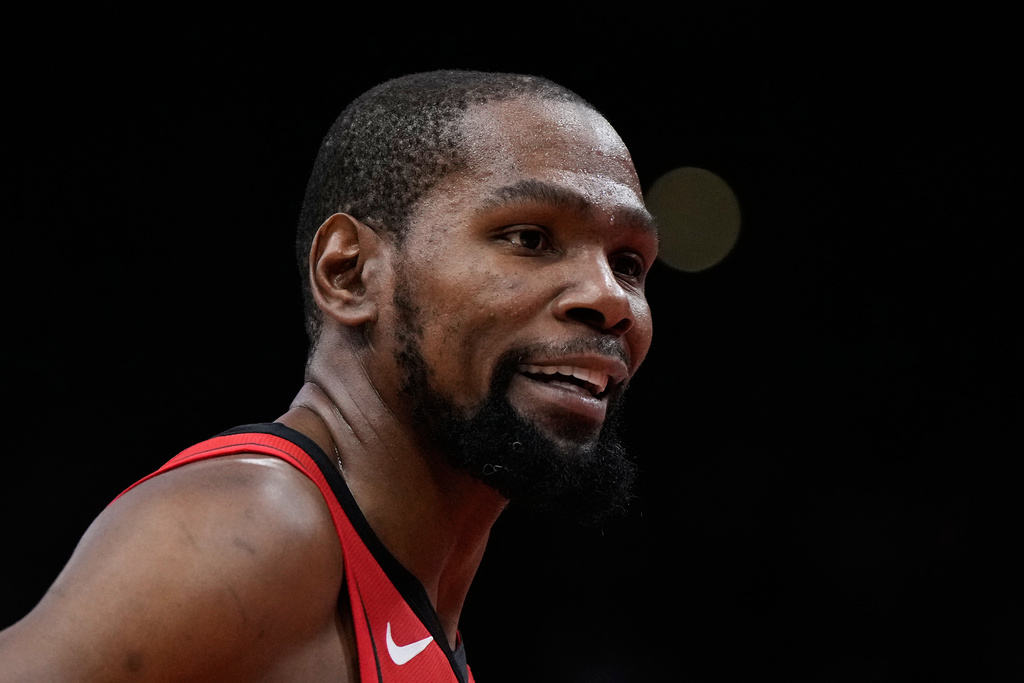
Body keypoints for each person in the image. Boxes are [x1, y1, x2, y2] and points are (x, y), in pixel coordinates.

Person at [0, 70, 658, 682]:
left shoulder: (406, 596)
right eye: (528, 237)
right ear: (349, 273)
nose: (611, 299)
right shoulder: (257, 530)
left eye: (629, 261)